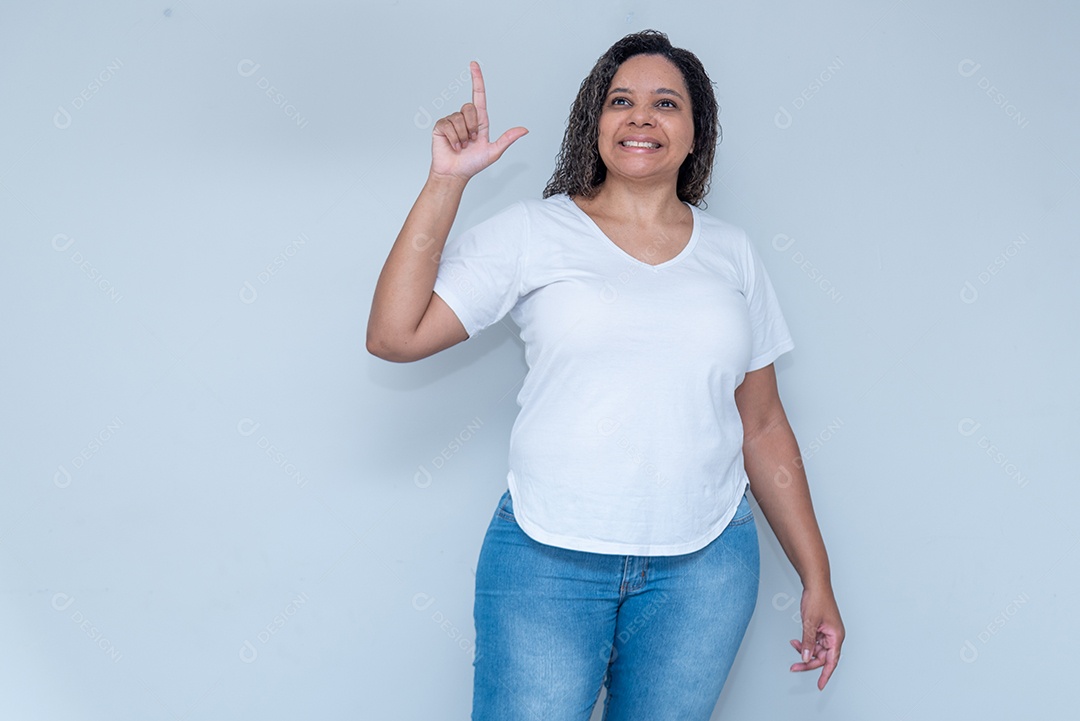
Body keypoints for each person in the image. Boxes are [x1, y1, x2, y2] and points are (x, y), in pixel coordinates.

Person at [368, 29, 844, 721]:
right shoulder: (533, 233)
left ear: (694, 133)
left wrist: (816, 576)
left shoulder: (731, 254)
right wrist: (447, 180)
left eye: (666, 103)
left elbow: (764, 424)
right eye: (621, 100)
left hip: (707, 569)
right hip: (546, 562)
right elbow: (393, 334)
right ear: (595, 124)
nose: (641, 116)